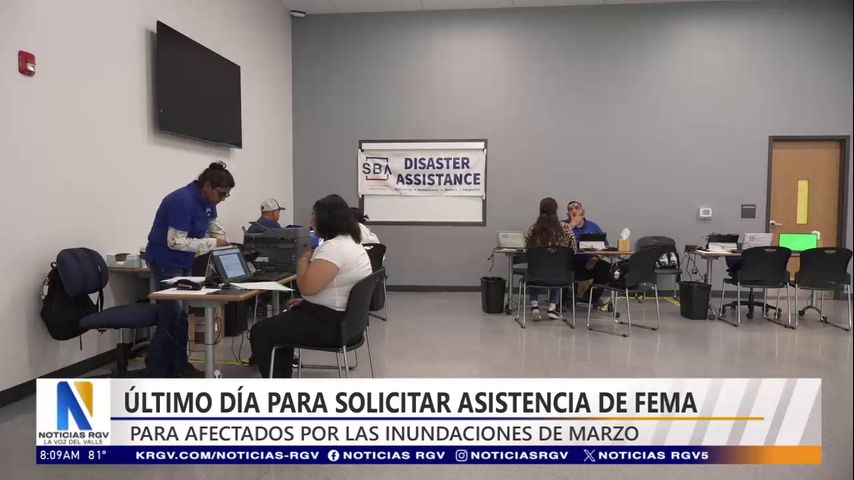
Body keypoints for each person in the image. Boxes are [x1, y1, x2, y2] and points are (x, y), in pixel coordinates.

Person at [250, 194, 372, 378]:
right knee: (283, 322)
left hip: (333, 326)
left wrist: (304, 259)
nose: (311, 220)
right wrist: (309, 303)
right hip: (352, 325)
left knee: (261, 332)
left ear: (326, 220)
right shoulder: (352, 243)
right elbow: (336, 287)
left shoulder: (333, 248)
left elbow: (306, 288)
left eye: (314, 215)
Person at [144, 161, 234, 377]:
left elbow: (211, 225)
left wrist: (222, 240)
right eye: (221, 193)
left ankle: (179, 367)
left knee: (181, 317)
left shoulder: (208, 201)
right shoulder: (182, 201)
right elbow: (175, 241)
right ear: (207, 186)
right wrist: (213, 243)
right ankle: (158, 370)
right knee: (172, 316)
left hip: (185, 261)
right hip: (166, 261)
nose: (223, 198)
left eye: (227, 195)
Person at [525, 197, 577, 320]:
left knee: (534, 267)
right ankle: (552, 308)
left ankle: (534, 306)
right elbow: (574, 249)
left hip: (536, 276)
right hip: (559, 276)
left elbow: (527, 249)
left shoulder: (533, 229)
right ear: (556, 209)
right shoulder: (566, 229)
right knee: (557, 266)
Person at [565, 200, 611, 308]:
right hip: (569, 263)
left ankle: (590, 296)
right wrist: (572, 225)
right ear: (568, 214)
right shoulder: (564, 226)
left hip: (590, 262)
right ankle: (567, 298)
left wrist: (596, 258)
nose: (574, 210)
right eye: (571, 209)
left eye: (577, 208)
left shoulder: (593, 226)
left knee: (606, 269)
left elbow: (605, 246)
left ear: (583, 211)